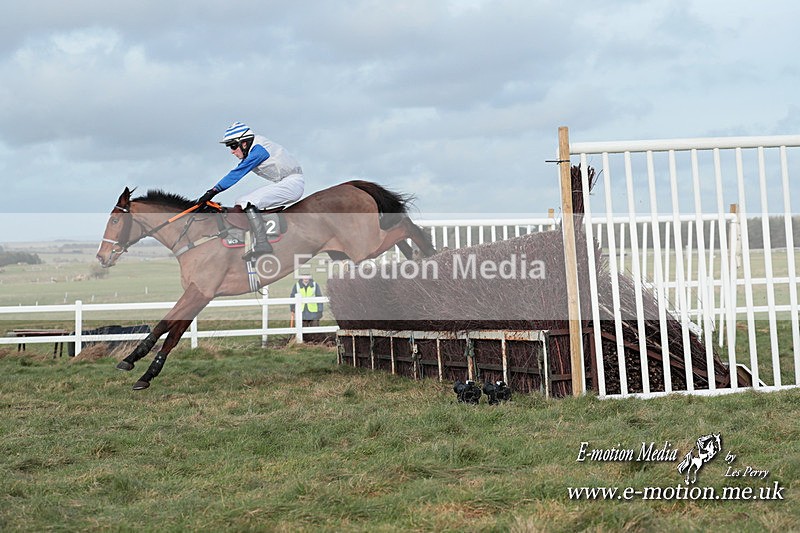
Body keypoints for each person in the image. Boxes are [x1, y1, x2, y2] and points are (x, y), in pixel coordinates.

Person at [194, 122, 304, 259]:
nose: (232, 151)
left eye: (233, 146)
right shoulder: (255, 148)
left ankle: (263, 243)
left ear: (244, 143)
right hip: (287, 182)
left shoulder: (258, 151)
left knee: (246, 201)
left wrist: (212, 191)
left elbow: (236, 173)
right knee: (240, 201)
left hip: (292, 184)